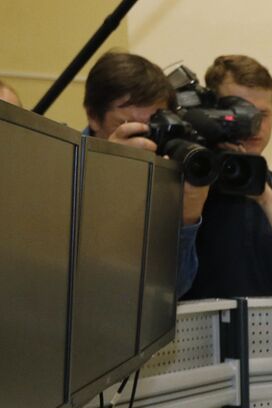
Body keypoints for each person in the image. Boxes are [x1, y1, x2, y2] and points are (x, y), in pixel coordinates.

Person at [182, 55, 272, 299]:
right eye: (241, 112)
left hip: (268, 336)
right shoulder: (181, 186)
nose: (254, 125)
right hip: (195, 335)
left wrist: (267, 198)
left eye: (263, 114)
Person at [83, 50, 201, 297]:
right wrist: (107, 175)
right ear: (94, 117)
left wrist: (188, 215)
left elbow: (171, 290)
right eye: (129, 127)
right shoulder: (62, 167)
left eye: (153, 127)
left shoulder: (166, 174)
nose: (143, 141)